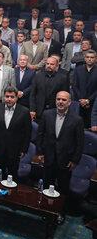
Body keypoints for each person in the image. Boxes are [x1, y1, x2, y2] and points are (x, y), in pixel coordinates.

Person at [36, 91, 84, 222]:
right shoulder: (47, 115)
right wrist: (40, 153)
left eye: (63, 100)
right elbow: (40, 135)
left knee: (62, 188)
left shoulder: (77, 120)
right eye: (58, 99)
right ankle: (45, 210)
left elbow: (80, 143)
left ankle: (60, 213)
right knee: (47, 184)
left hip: (65, 160)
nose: (60, 102)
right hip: (48, 157)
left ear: (69, 102)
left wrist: (75, 160)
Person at [0, 87, 31, 180]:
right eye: (7, 96)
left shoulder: (24, 111)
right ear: (4, 97)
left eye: (12, 97)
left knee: (12, 175)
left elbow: (27, 133)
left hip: (15, 150)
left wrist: (24, 150)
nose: (9, 99)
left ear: (16, 98)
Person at [29, 56, 70, 121]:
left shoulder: (63, 78)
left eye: (52, 64)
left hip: (55, 111)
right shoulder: (38, 76)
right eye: (47, 64)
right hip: (39, 111)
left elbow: (66, 96)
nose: (49, 66)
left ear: (57, 66)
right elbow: (32, 95)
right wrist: (32, 110)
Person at [72, 49, 97, 128]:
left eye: (92, 57)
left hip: (93, 104)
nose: (89, 59)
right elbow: (75, 86)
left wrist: (88, 100)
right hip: (79, 102)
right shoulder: (78, 69)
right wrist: (82, 100)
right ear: (85, 58)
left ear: (95, 59)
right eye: (88, 57)